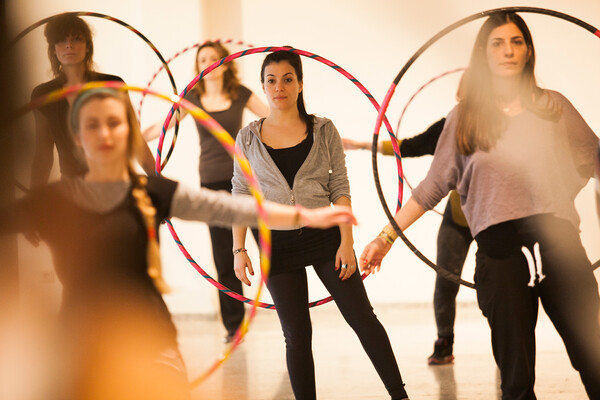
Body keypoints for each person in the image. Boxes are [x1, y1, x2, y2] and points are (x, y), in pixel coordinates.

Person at [0, 88, 355, 399]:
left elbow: (229, 206)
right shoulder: (52, 201)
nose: (105, 133)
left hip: (153, 344)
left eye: (114, 122)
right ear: (76, 135)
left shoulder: (152, 191)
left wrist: (307, 217)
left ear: (129, 132)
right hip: (80, 348)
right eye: (93, 125)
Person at [361, 11, 600, 399]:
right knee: (517, 379)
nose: (508, 51)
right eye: (498, 43)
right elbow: (430, 187)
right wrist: (384, 237)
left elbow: (595, 160)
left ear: (528, 52)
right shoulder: (464, 118)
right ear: (484, 54)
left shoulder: (553, 107)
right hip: (500, 252)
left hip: (559, 244)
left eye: (517, 41)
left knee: (595, 358)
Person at [232, 50, 409, 400]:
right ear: (263, 86)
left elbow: (340, 189)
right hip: (276, 246)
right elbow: (240, 194)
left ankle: (399, 395)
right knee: (296, 335)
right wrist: (239, 249)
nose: (279, 87)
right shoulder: (248, 138)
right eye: (271, 80)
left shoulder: (324, 130)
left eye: (287, 79)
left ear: (300, 83)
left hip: (326, 239)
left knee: (362, 318)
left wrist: (347, 242)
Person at [143, 41, 269, 342]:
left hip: (247, 181)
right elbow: (163, 127)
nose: (209, 63)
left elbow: (272, 120)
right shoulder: (193, 97)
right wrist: (132, 136)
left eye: (214, 58)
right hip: (212, 183)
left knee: (270, 245)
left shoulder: (240, 93)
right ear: (198, 67)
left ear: (225, 63)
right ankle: (234, 327)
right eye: (203, 60)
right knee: (225, 257)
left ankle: (286, 305)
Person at [343, 118, 473, 365]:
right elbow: (410, 146)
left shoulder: (514, 125)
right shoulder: (454, 123)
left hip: (499, 221)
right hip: (459, 215)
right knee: (446, 279)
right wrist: (360, 145)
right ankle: (444, 341)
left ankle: (507, 344)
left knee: (498, 288)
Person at [30, 13, 155, 190]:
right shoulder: (43, 94)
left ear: (88, 46)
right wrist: (33, 202)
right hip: (72, 191)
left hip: (114, 184)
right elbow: (43, 154)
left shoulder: (113, 86)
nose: (69, 45)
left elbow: (133, 138)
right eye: (61, 40)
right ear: (53, 49)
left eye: (76, 39)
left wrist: (158, 182)